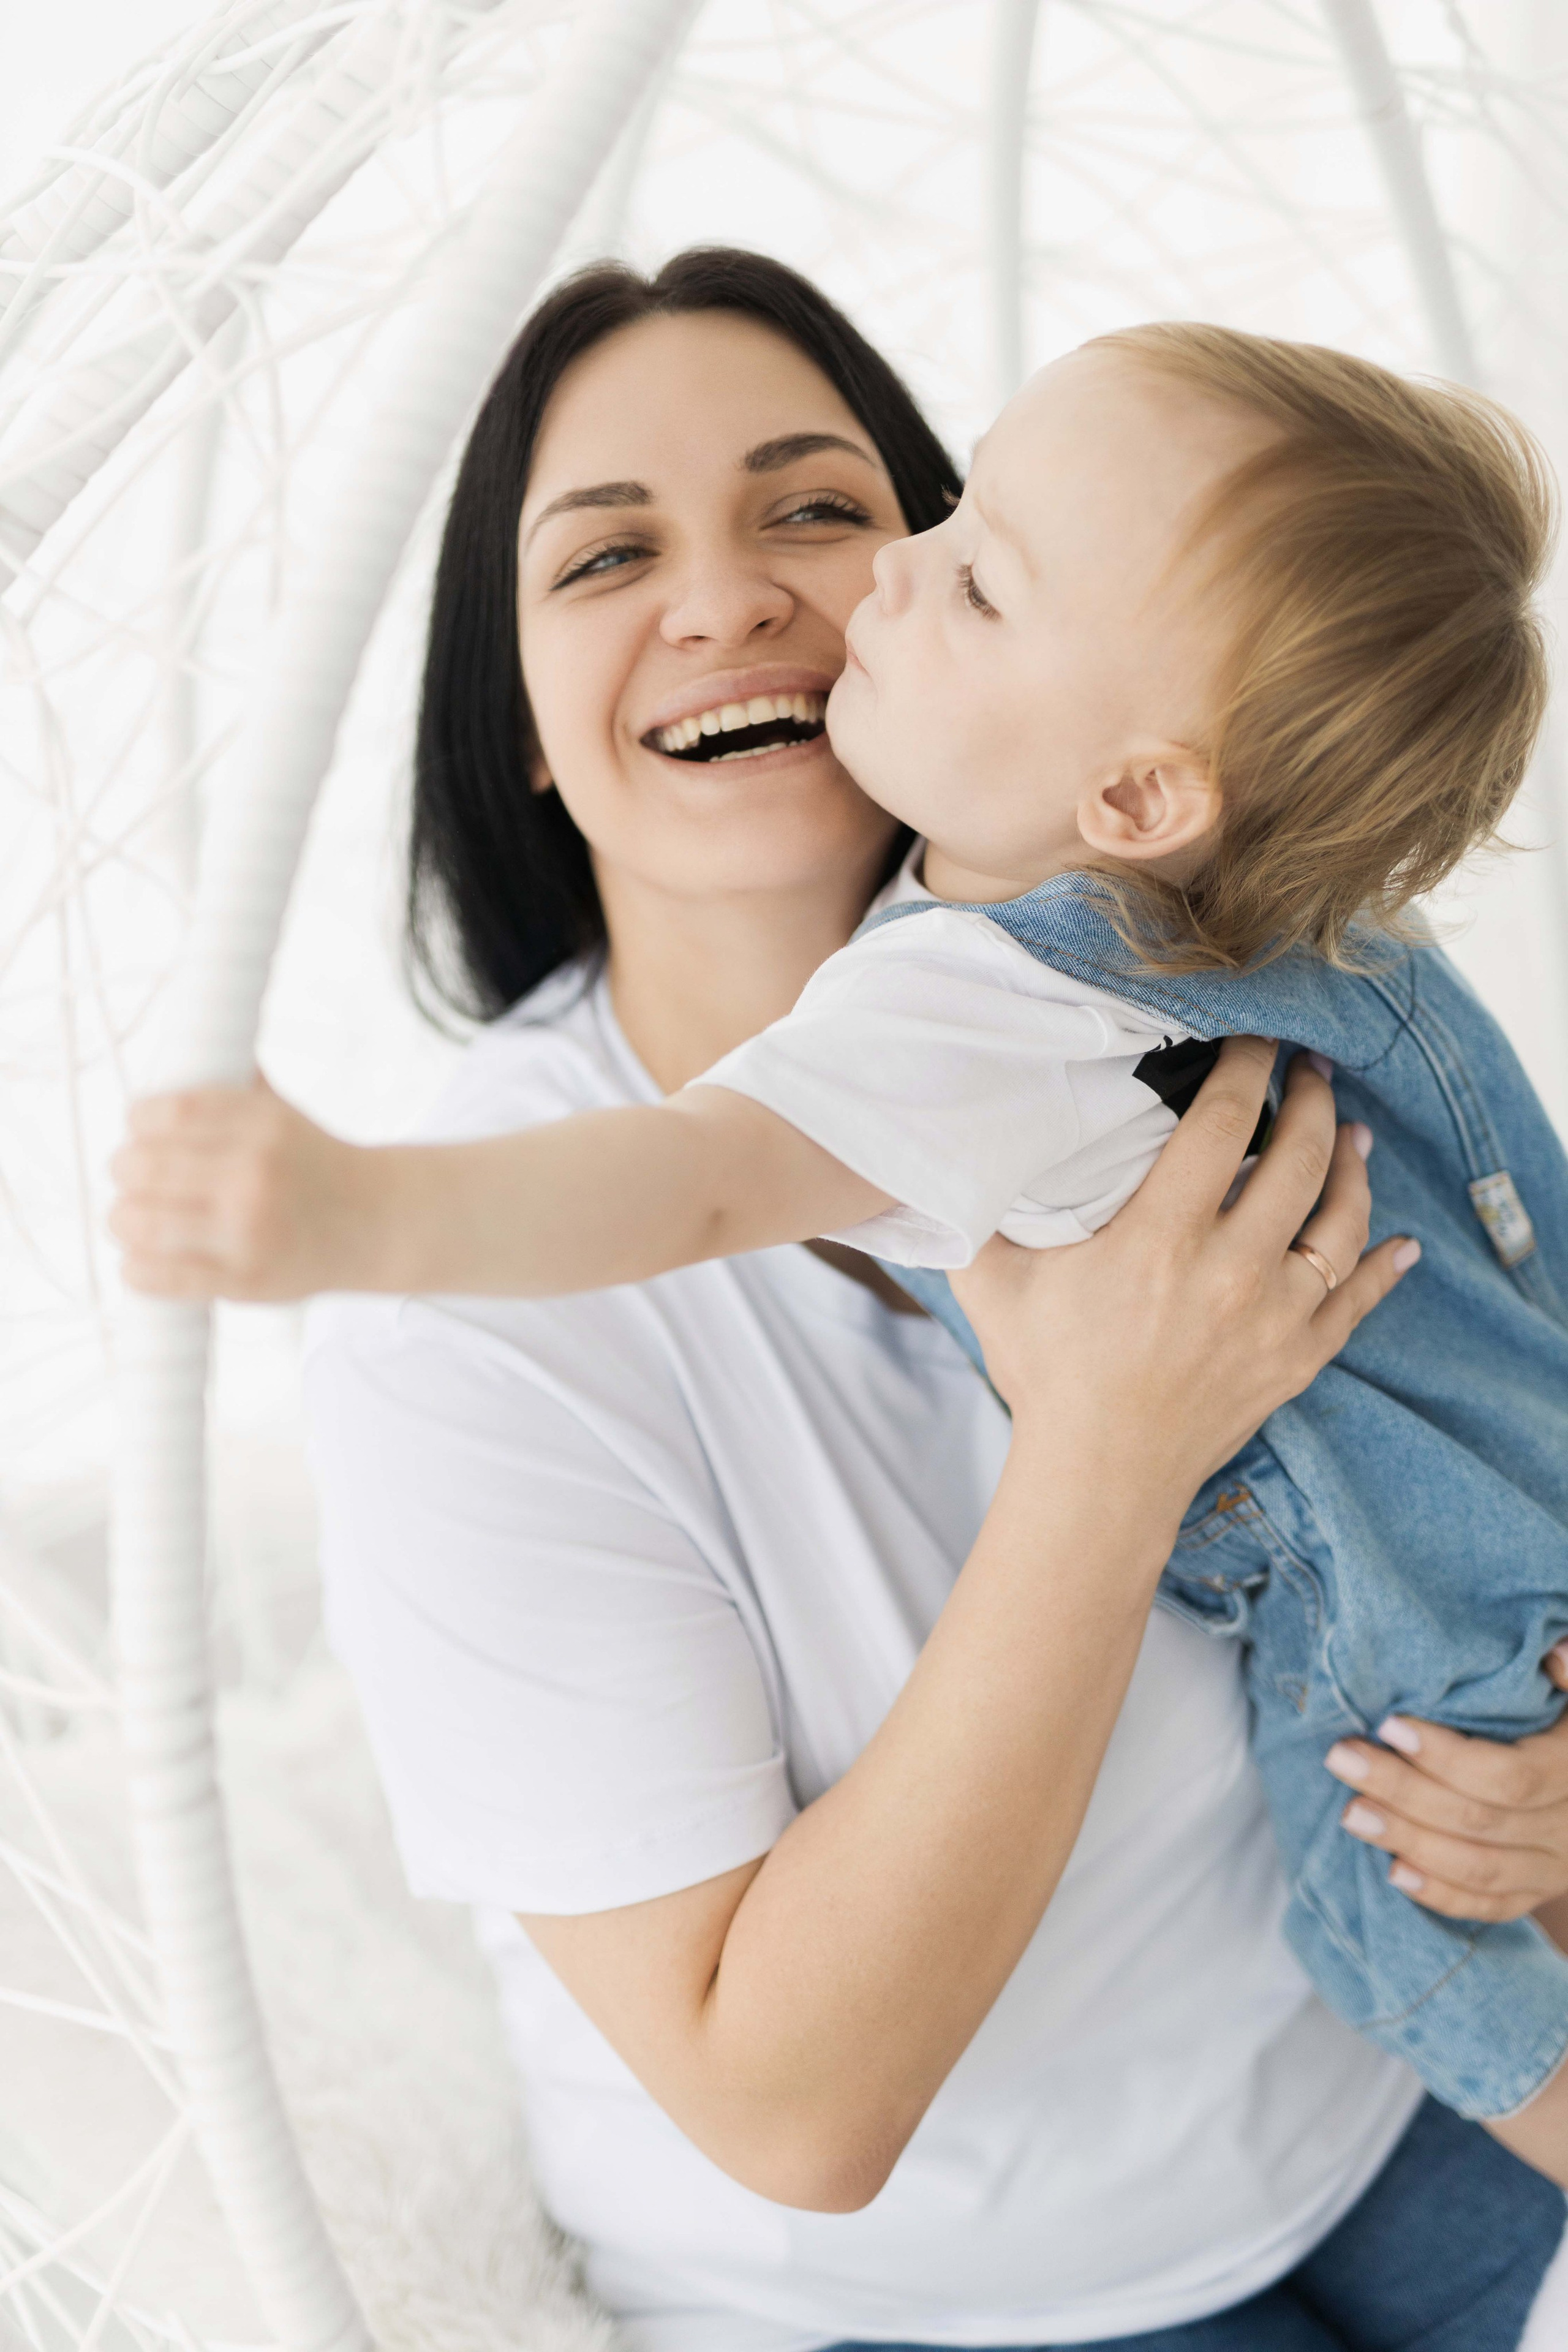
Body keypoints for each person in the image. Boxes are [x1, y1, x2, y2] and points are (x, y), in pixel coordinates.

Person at [113, 253, 1568, 2348]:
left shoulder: (1230, 958)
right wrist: (1107, 1441)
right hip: (968, 2291)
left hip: (1364, 2103)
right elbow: (795, 2116)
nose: (732, 600)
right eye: (608, 555)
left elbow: (1488, 1385)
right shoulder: (486, 1309)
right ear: (514, 724)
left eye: (822, 510)